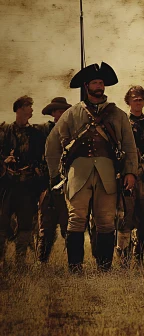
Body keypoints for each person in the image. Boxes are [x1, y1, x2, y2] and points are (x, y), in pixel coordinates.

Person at [45, 63, 138, 272]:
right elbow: (52, 144)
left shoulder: (118, 114)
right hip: (77, 172)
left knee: (105, 220)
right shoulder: (72, 113)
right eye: (95, 82)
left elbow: (129, 146)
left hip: (107, 172)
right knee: (76, 219)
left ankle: (104, 268)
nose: (99, 86)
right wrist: (56, 174)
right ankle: (75, 267)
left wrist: (130, 172)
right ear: (87, 86)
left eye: (101, 82)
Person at [0, 96, 48, 266]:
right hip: (6, 185)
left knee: (26, 224)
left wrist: (38, 172)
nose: (32, 110)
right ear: (19, 109)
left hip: (27, 185)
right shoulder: (4, 131)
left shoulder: (36, 134)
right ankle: (1, 261)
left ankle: (20, 262)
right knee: (2, 223)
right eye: (29, 106)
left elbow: (42, 157)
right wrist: (5, 161)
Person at [114, 86, 144, 267]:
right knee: (125, 218)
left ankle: (139, 257)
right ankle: (123, 259)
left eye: (140, 98)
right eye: (134, 98)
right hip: (126, 176)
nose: (137, 101)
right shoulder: (122, 124)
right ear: (128, 101)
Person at [36, 97, 72, 263]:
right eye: (58, 111)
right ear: (53, 113)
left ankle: (72, 262)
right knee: (46, 227)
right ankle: (41, 261)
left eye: (63, 111)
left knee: (69, 226)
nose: (61, 113)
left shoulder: (72, 130)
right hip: (47, 185)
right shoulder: (43, 131)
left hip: (67, 185)